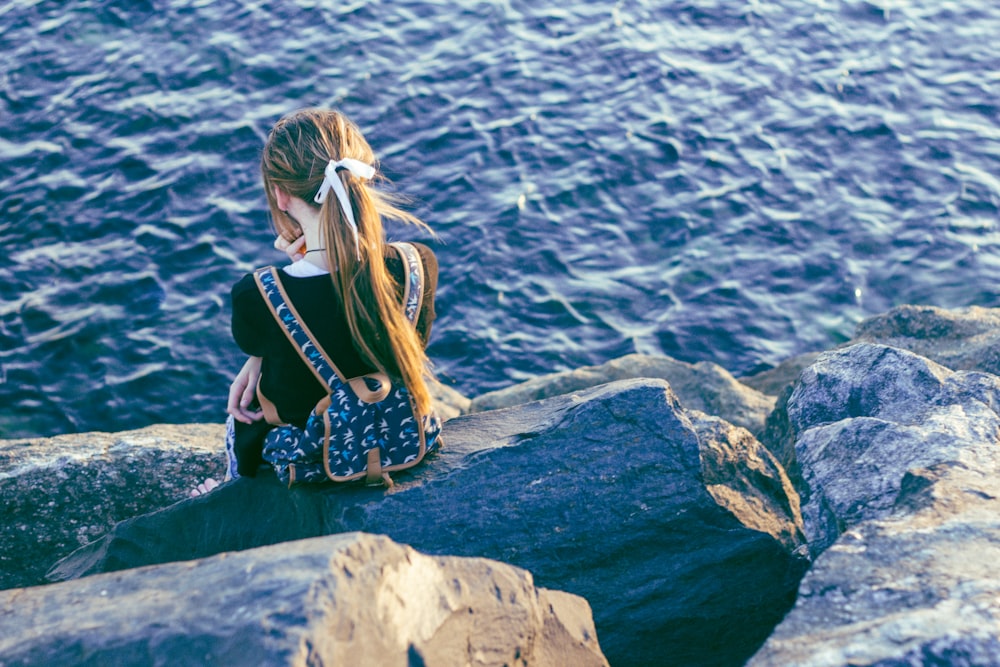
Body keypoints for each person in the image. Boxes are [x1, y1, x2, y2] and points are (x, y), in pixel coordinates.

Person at [192, 108, 439, 495]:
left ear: (280, 194)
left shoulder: (257, 295)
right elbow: (350, 316)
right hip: (400, 439)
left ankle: (228, 494)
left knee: (245, 413)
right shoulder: (417, 264)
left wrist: (256, 358)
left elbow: (290, 379)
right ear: (362, 178)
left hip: (314, 460)